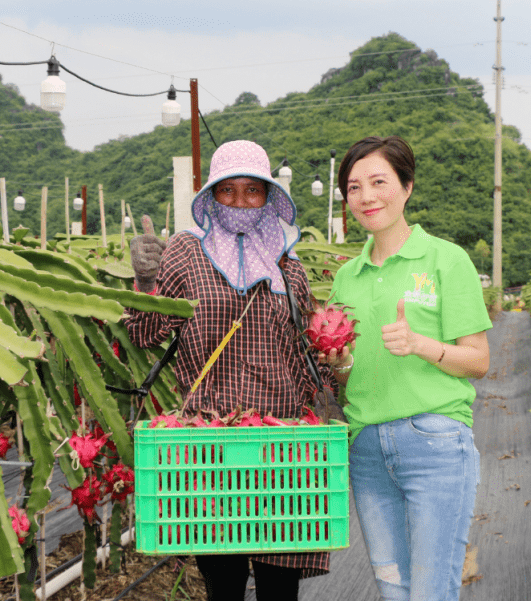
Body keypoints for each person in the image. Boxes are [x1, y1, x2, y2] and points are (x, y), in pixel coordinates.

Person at [125, 140, 335, 601]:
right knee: (224, 587)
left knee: (280, 589)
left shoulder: (288, 264)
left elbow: (307, 353)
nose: (241, 201)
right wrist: (143, 282)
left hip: (283, 447)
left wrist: (335, 364)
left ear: (268, 197)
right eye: (228, 191)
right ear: (211, 196)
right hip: (211, 446)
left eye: (253, 191)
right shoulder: (184, 252)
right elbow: (144, 333)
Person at [320, 135, 491, 601]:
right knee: (395, 592)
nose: (367, 196)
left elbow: (477, 360)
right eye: (354, 187)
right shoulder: (345, 277)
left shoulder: (445, 260)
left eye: (379, 182)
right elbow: (349, 378)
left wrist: (420, 345)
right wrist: (342, 363)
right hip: (368, 451)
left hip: (434, 442)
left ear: (407, 186)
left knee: (431, 593)